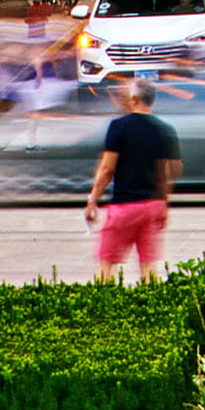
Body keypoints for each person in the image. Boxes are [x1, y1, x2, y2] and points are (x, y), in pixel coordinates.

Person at [84, 76, 181, 277]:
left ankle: (103, 304)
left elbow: (107, 169)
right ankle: (151, 305)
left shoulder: (119, 126)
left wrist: (93, 199)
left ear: (135, 99)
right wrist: (164, 203)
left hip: (124, 207)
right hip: (153, 206)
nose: (122, 98)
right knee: (148, 266)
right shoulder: (164, 129)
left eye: (125, 95)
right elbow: (169, 172)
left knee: (106, 264)